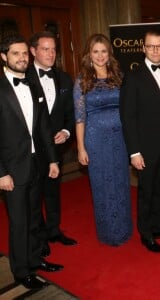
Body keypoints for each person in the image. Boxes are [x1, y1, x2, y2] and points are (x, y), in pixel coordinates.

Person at [0, 35, 63, 290]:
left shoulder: (33, 84)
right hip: (11, 170)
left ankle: (36, 259)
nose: (22, 58)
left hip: (37, 163)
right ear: (4, 56)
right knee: (19, 222)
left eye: (25, 53)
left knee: (35, 217)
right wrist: (1, 173)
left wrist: (53, 160)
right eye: (16, 54)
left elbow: (44, 127)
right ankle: (21, 271)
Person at [73, 33, 132, 246]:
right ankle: (109, 233)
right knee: (102, 185)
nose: (99, 56)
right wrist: (80, 147)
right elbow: (80, 117)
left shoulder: (118, 75)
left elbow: (128, 108)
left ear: (109, 54)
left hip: (120, 139)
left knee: (120, 181)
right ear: (89, 54)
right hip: (95, 140)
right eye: (95, 51)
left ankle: (124, 228)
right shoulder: (82, 80)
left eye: (103, 51)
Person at [120, 30, 160, 253]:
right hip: (145, 147)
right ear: (143, 48)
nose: (155, 50)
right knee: (146, 191)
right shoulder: (133, 77)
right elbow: (128, 117)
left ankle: (159, 225)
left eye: (159, 46)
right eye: (150, 46)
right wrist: (134, 152)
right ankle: (146, 233)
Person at [26, 31, 77, 256]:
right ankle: (38, 237)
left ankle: (54, 230)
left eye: (54, 49)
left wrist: (66, 132)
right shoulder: (23, 77)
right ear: (33, 51)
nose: (50, 53)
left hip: (56, 147)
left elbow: (70, 113)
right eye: (45, 49)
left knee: (53, 191)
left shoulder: (64, 78)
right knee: (34, 196)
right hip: (32, 150)